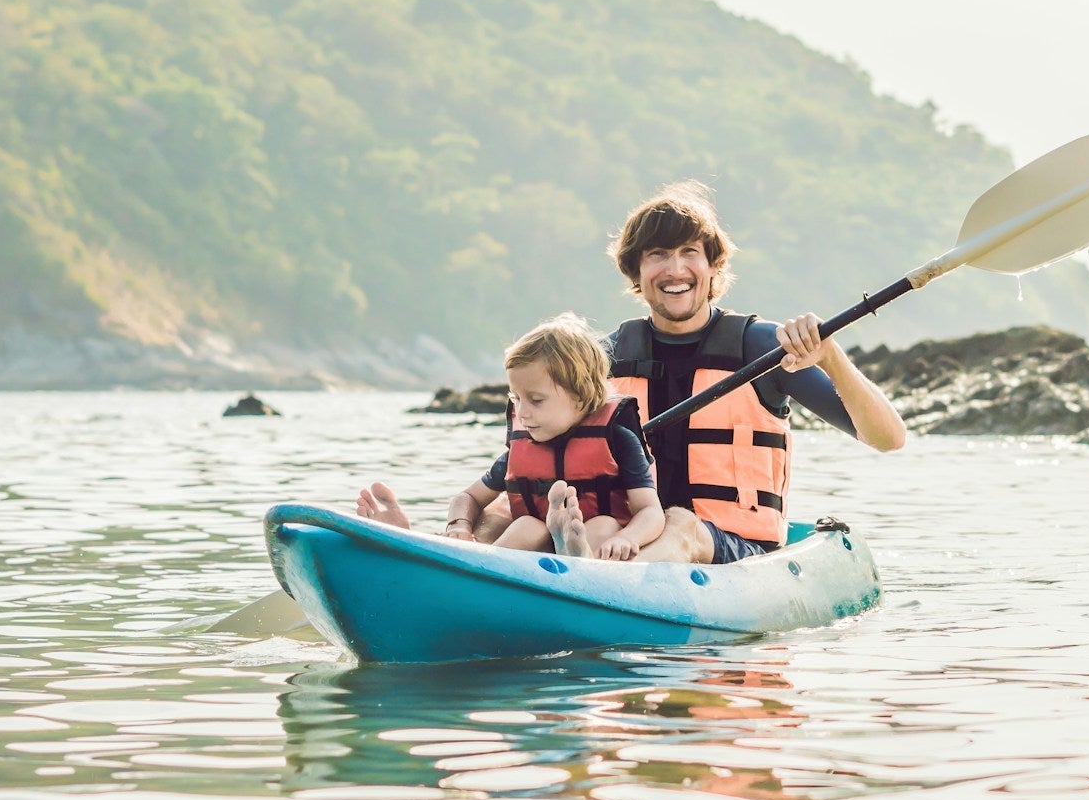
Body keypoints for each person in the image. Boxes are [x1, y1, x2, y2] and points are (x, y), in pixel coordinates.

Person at [603, 180, 906, 564]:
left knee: (681, 523)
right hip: (630, 540)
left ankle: (610, 588)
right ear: (636, 269)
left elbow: (888, 438)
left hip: (739, 552)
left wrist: (830, 357)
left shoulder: (761, 347)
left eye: (689, 252)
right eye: (658, 254)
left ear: (713, 266)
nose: (675, 269)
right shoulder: (607, 357)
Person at [357, 313, 664, 560]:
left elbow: (651, 512)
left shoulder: (619, 440)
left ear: (581, 398)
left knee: (602, 525)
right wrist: (459, 527)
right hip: (531, 559)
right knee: (527, 526)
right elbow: (469, 497)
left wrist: (627, 537)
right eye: (516, 399)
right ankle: (438, 554)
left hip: (598, 550)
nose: (523, 412)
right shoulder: (523, 448)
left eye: (536, 400)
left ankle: (578, 554)